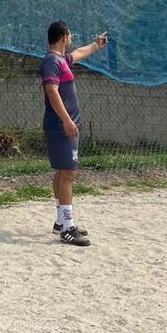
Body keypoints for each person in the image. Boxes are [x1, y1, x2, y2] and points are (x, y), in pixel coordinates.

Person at [40, 21, 107, 246]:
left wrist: (96, 45)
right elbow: (52, 91)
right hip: (61, 127)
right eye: (70, 37)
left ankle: (60, 221)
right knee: (68, 173)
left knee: (62, 172)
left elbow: (79, 53)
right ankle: (68, 229)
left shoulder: (61, 60)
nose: (72, 41)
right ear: (64, 38)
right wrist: (67, 121)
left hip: (64, 126)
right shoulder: (51, 61)